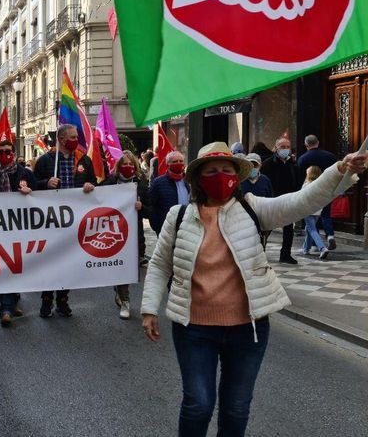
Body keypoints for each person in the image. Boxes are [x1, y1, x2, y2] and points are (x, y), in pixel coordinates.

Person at [141, 141, 366, 437]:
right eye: (211, 171)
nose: (220, 176)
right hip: (193, 327)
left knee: (236, 408)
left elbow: (303, 201)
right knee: (198, 404)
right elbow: (159, 265)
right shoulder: (178, 216)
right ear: (198, 179)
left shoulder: (252, 208)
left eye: (226, 169)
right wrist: (148, 309)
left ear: (236, 175)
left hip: (248, 329)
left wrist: (340, 169)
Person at [33, 124, 97, 318]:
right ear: (61, 139)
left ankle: (62, 299)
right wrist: (46, 183)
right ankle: (46, 299)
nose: (76, 139)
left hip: (75, 221)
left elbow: (95, 182)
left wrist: (90, 184)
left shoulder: (84, 160)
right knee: (50, 260)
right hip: (51, 221)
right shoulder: (45, 161)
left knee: (69, 261)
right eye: (73, 136)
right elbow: (33, 186)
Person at [0, 140, 36, 326]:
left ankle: (14, 300)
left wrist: (31, 191)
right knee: (5, 265)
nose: (5, 154)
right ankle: (5, 308)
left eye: (8, 151)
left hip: (21, 228)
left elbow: (41, 196)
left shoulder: (26, 173)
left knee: (18, 264)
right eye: (1, 151)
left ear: (14, 152)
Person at [102, 151, 151, 319]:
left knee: (126, 268)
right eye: (125, 164)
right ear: (118, 167)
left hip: (133, 235)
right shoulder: (110, 182)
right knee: (117, 267)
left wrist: (141, 207)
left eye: (131, 164)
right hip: (112, 232)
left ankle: (125, 299)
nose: (128, 167)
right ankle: (121, 294)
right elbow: (95, 198)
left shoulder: (141, 184)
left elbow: (150, 211)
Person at [261, 137, 303, 264]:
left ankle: (285, 254)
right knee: (266, 228)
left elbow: (298, 180)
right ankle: (260, 252)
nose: (285, 149)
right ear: (276, 148)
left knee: (288, 228)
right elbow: (265, 182)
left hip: (289, 200)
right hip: (273, 201)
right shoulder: (268, 163)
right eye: (282, 147)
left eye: (287, 147)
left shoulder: (293, 164)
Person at [297, 135, 338, 249]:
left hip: (310, 191)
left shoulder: (303, 159)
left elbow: (299, 176)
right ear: (318, 142)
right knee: (325, 213)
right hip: (327, 189)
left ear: (306, 145)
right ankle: (330, 236)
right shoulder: (330, 156)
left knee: (311, 218)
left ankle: (315, 244)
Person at [147, 151, 189, 235]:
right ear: (168, 165)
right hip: (166, 228)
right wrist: (156, 226)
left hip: (186, 227)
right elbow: (151, 205)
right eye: (175, 162)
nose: (178, 163)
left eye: (181, 161)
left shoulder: (189, 181)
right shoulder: (158, 183)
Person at [299, 166, 330, 259]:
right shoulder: (322, 185)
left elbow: (301, 197)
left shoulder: (307, 184)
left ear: (310, 174)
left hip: (308, 210)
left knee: (312, 229)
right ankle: (306, 248)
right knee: (309, 229)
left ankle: (322, 248)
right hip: (318, 210)